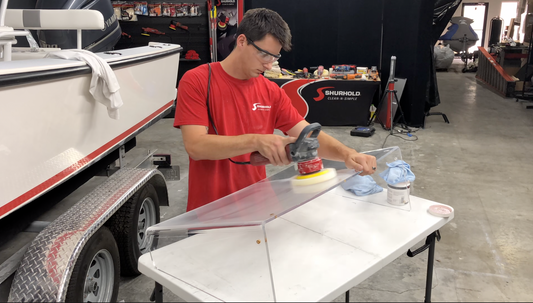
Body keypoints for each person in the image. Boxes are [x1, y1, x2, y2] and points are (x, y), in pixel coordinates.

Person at [174, 8, 377, 212]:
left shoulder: (271, 91)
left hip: (259, 211)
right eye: (264, 54)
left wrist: (348, 154)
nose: (269, 64)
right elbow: (196, 146)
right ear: (242, 41)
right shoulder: (197, 81)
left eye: (274, 57)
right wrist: (257, 141)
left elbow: (305, 134)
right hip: (209, 213)